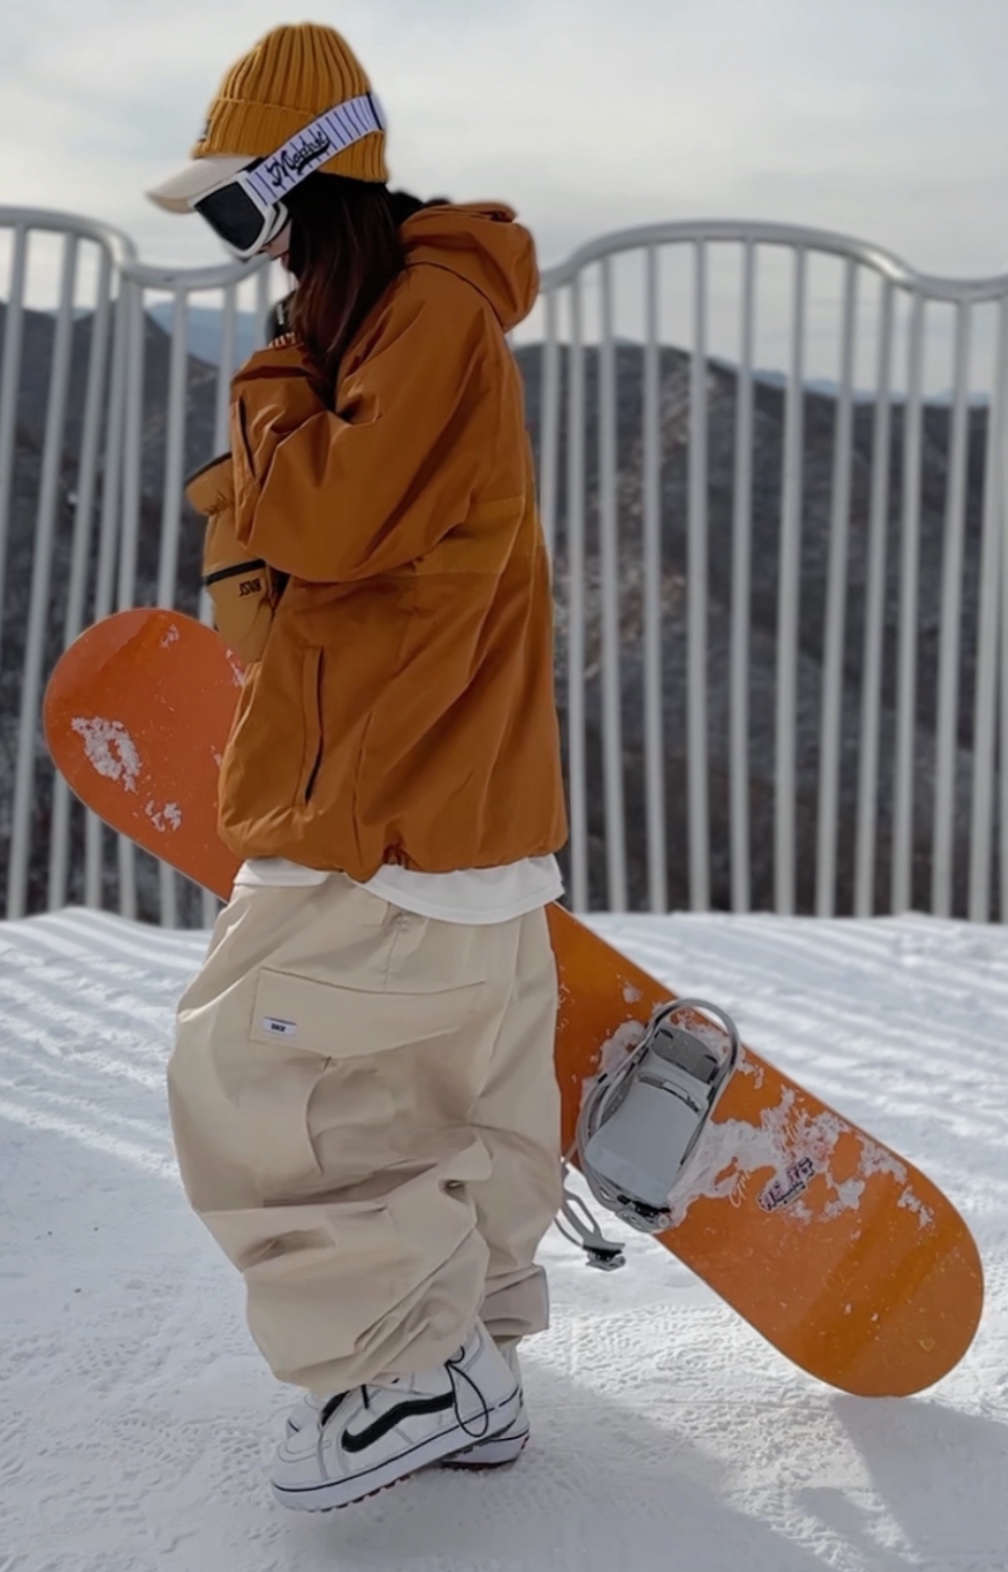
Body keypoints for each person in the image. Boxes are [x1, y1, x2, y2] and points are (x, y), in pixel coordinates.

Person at [149, 22, 569, 1513]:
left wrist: (265, 391)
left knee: (251, 1073)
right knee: (439, 1096)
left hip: (389, 798)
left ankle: (397, 1371)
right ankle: (465, 1371)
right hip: (431, 795)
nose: (238, 255)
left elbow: (322, 530)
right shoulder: (404, 321)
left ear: (302, 181)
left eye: (232, 211)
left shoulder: (422, 316)